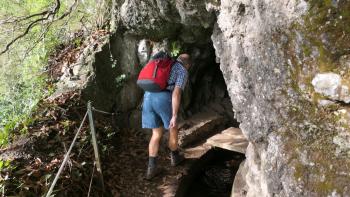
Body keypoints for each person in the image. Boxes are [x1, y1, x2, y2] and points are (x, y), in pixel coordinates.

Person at [142, 53, 191, 180]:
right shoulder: (182, 71)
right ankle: (175, 157)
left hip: (148, 97)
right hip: (163, 99)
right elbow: (176, 93)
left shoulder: (164, 65)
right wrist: (174, 115)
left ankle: (151, 168)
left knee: (156, 134)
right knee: (172, 128)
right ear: (188, 64)